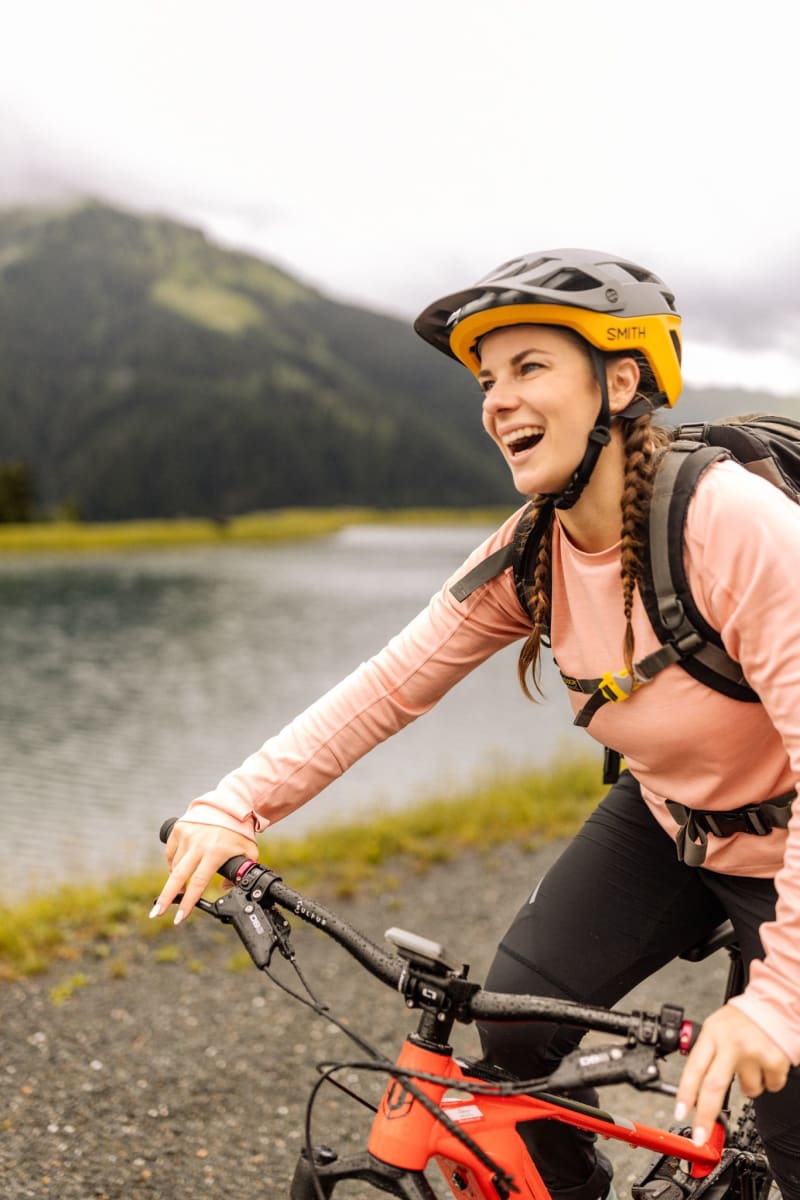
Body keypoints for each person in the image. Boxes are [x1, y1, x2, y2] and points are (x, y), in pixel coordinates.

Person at [153, 249, 800, 1199]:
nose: (497, 399)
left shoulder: (731, 524)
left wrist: (778, 1002)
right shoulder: (528, 553)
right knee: (516, 1031)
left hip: (786, 843)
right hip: (668, 821)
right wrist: (233, 804)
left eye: (530, 366)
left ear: (620, 381)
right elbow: (389, 687)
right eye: (487, 379)